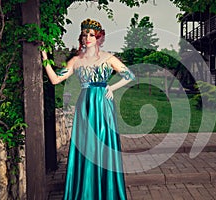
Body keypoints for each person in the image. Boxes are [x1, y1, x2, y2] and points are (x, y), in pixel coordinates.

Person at [41, 18, 134, 200]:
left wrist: (111, 88)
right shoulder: (76, 60)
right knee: (86, 146)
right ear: (81, 38)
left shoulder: (108, 58)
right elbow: (55, 79)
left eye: (92, 35)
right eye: (85, 34)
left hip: (103, 105)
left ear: (99, 37)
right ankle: (86, 192)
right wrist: (45, 58)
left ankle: (106, 192)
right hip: (85, 105)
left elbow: (129, 75)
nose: (88, 38)